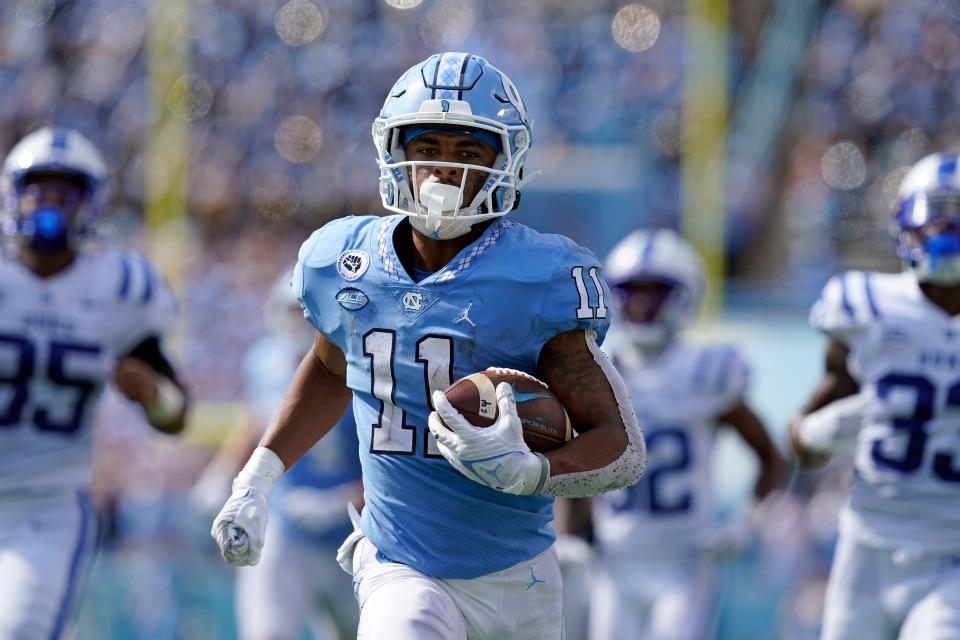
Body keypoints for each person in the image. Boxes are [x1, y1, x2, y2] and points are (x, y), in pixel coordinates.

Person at [211, 52, 647, 640]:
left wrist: (535, 471)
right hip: (401, 565)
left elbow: (622, 449)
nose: (445, 170)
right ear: (396, 154)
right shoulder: (345, 263)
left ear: (507, 162)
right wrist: (255, 479)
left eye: (469, 153)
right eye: (429, 149)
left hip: (521, 578)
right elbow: (328, 368)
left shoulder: (540, 276)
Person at [0, 127, 188, 639]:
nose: (50, 204)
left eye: (65, 192)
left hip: (46, 505)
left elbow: (177, 414)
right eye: (38, 190)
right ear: (13, 196)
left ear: (91, 204)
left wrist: (152, 394)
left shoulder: (119, 286)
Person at [576, 228, 785, 640]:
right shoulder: (598, 367)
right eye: (631, 291)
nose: (639, 303)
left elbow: (771, 456)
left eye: (654, 292)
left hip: (683, 562)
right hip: (615, 560)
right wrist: (572, 539)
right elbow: (578, 466)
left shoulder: (707, 371)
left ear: (683, 296)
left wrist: (746, 521)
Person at [789, 151, 960, 640]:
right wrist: (815, 433)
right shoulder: (868, 306)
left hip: (952, 553)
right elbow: (804, 434)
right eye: (937, 213)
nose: (945, 229)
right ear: (907, 225)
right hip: (868, 545)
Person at [192, 269, 362, 640]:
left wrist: (340, 501)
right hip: (285, 530)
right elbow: (258, 419)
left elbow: (391, 459)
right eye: (289, 312)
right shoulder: (264, 362)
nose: (296, 323)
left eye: (303, 312)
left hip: (355, 534)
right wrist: (222, 472)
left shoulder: (361, 369)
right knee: (267, 632)